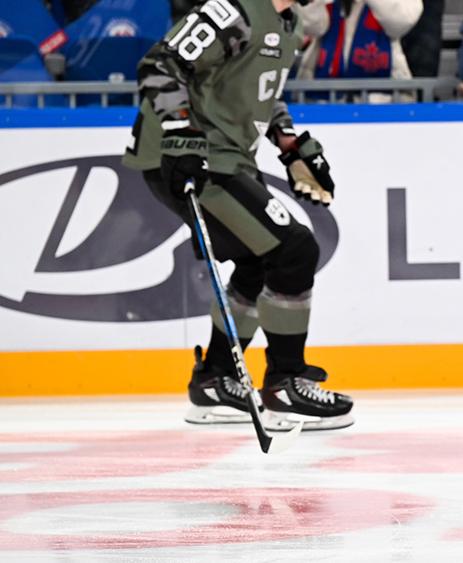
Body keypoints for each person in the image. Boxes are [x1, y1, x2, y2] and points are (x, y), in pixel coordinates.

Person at [121, 0, 354, 431]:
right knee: (294, 249)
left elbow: (259, 90)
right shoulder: (233, 10)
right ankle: (285, 382)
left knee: (259, 260)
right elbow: (160, 64)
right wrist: (181, 130)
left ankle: (215, 378)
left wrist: (288, 143)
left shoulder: (287, 20)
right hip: (190, 158)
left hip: (226, 158)